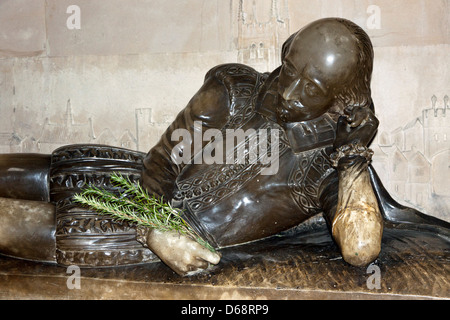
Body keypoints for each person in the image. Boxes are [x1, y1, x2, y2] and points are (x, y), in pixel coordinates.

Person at [0, 18, 447, 276]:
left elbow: (361, 247)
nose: (289, 92)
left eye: (311, 88)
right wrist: (154, 229)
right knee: (51, 171)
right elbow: (161, 162)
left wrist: (352, 155)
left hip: (143, 234)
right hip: (139, 188)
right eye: (289, 69)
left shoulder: (326, 170)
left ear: (340, 98)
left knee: (21, 226)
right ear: (285, 50)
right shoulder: (233, 90)